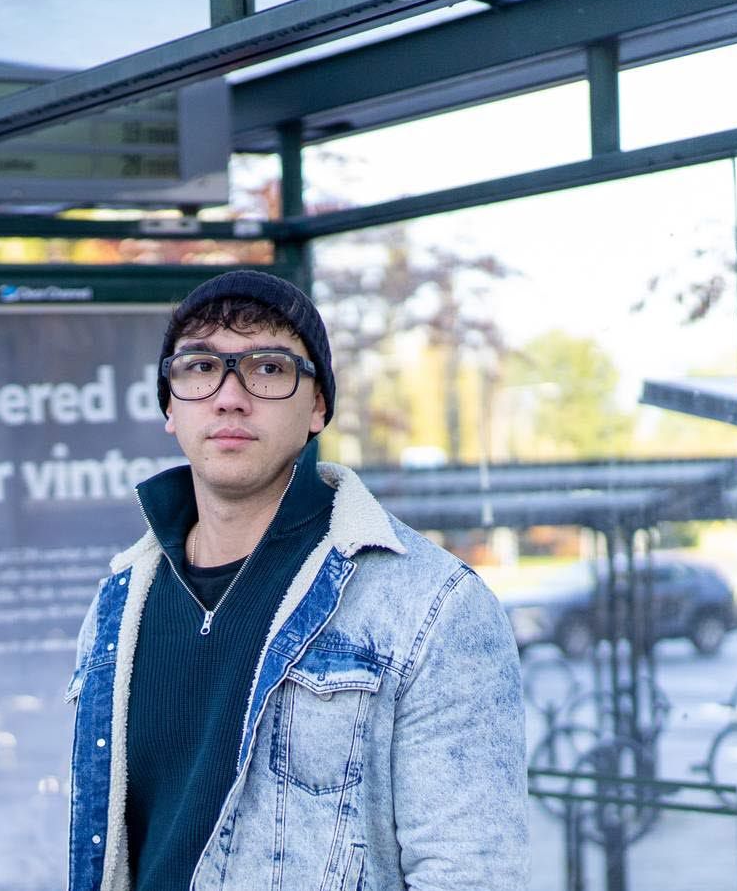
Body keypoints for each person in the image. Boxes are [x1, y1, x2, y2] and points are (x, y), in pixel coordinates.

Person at [66, 269, 527, 891]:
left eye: (268, 368)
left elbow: (472, 874)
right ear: (170, 406)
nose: (230, 396)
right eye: (200, 368)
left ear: (318, 406)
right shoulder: (121, 599)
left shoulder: (431, 606)